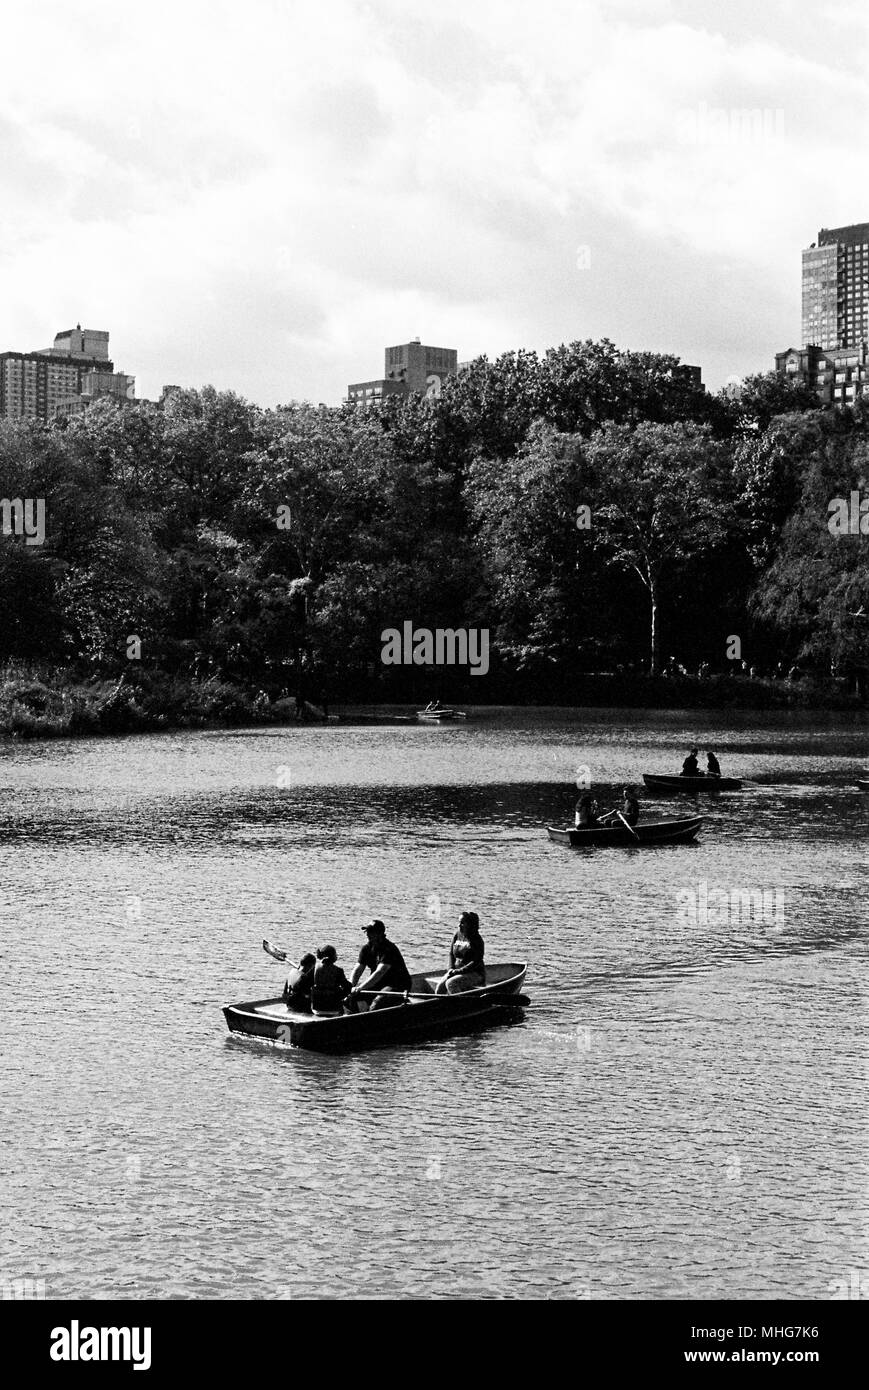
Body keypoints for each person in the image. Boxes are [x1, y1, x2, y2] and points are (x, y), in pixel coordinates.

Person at [347, 919, 412, 1012]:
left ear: (380, 934)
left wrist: (360, 988)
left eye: (371, 932)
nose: (367, 934)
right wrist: (350, 987)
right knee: (351, 998)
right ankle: (357, 1018)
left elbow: (379, 972)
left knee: (376, 1005)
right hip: (379, 983)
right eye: (367, 931)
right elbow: (357, 971)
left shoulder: (389, 949)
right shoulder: (366, 949)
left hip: (397, 984)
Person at [436, 911, 485, 995]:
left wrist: (459, 971)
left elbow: (475, 962)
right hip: (456, 971)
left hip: (474, 973)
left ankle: (460, 1006)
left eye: (462, 923)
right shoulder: (457, 935)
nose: (459, 925)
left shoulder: (477, 940)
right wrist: (451, 968)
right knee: (439, 988)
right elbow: (451, 954)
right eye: (459, 922)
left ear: (470, 925)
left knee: (451, 983)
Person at [310, 945, 352, 1017]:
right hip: (333, 1009)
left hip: (316, 1008)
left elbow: (305, 982)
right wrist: (340, 995)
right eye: (335, 954)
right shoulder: (338, 971)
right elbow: (348, 987)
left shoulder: (314, 968)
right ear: (332, 956)